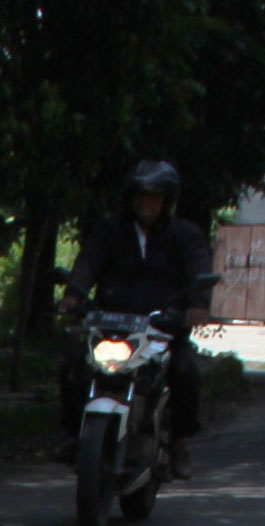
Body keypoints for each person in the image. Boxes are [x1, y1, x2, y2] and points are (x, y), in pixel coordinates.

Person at [60, 160, 214, 476]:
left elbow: (199, 269)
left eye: (155, 196)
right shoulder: (108, 232)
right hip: (110, 326)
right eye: (141, 195)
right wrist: (73, 295)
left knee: (186, 373)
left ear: (167, 201)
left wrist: (197, 305)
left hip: (163, 328)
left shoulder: (185, 235)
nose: (146, 202)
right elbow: (87, 263)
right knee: (73, 369)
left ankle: (179, 446)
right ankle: (77, 436)